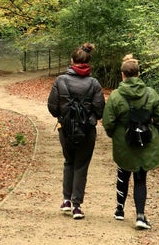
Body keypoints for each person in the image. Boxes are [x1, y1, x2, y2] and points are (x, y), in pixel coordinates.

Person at [102, 54, 159, 230]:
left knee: (123, 172)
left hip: (124, 141)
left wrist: (115, 135)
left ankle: (120, 210)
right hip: (146, 141)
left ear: (122, 74)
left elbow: (108, 122)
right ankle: (140, 216)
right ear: (139, 73)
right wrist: (153, 133)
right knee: (140, 177)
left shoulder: (115, 96)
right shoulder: (151, 94)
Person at [47, 43, 105, 220]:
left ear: (72, 61)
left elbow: (52, 107)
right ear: (89, 62)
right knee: (81, 165)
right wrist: (90, 118)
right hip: (87, 130)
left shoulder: (61, 80)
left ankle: (66, 200)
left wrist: (64, 117)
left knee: (69, 162)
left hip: (65, 129)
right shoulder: (94, 83)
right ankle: (76, 206)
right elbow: (101, 109)